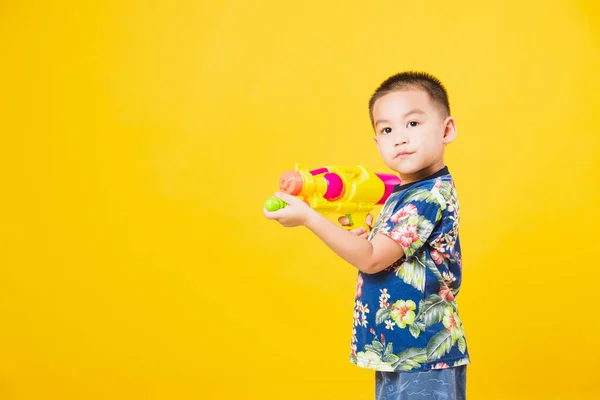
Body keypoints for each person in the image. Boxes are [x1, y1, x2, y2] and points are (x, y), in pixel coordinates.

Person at [263, 71, 470, 399]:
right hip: (400, 351)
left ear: (447, 130)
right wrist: (367, 239)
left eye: (413, 124)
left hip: (423, 355)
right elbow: (384, 254)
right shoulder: (407, 193)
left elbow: (372, 259)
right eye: (387, 129)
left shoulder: (425, 197)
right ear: (377, 142)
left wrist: (309, 217)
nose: (399, 138)